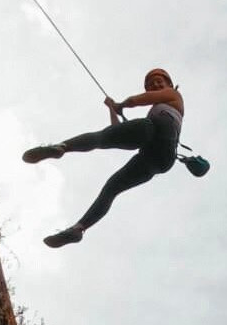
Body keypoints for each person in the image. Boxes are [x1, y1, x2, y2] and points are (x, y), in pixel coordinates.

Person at [22, 68, 184, 248]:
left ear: (169, 84)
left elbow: (136, 101)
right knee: (112, 186)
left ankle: (63, 147)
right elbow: (117, 131)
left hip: (156, 133)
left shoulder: (173, 95)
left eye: (158, 81)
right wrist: (112, 109)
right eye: (151, 84)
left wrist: (121, 105)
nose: (155, 85)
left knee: (103, 137)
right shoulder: (158, 110)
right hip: (160, 159)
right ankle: (78, 228)